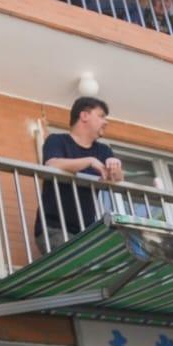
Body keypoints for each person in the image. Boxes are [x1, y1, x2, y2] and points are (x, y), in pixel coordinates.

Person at [37, 97, 124, 247]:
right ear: (84, 116)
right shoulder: (57, 140)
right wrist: (89, 161)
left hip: (85, 231)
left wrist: (116, 167)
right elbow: (51, 164)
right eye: (101, 116)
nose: (106, 122)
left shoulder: (103, 150)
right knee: (81, 264)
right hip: (54, 227)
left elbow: (117, 179)